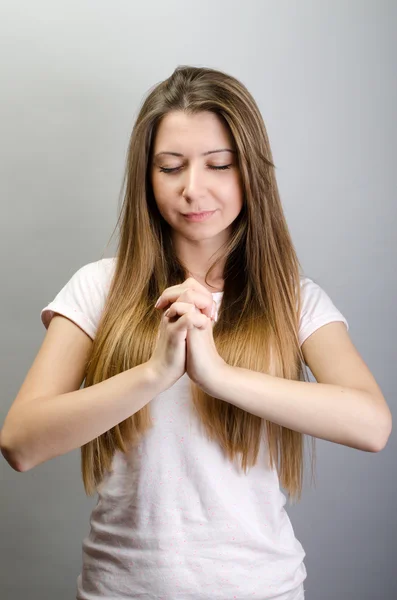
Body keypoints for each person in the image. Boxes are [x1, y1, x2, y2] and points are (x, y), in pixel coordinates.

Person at [1, 65, 391, 600]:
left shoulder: (293, 299)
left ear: (250, 170)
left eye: (219, 164)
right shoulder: (98, 288)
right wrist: (156, 372)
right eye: (170, 167)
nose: (193, 189)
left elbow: (372, 426)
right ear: (147, 176)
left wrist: (216, 374)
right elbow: (20, 443)